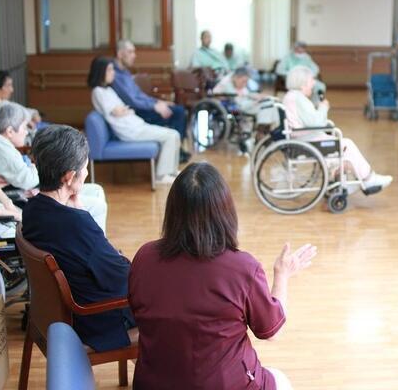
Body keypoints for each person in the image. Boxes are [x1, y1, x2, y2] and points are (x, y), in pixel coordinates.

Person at [129, 162, 316, 390]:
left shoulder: (144, 257)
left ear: (173, 211)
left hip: (152, 383)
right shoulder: (243, 268)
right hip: (225, 384)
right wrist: (282, 275)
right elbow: (272, 332)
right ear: (225, 211)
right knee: (281, 380)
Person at [22, 125, 136, 352]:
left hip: (53, 315)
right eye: (84, 168)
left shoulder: (32, 210)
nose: (86, 174)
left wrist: (79, 211)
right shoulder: (76, 224)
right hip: (92, 321)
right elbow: (122, 276)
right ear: (69, 176)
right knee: (165, 306)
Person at [0, 101, 108, 232]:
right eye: (24, 127)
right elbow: (27, 179)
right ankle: (94, 242)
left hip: (34, 192)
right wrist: (39, 165)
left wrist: (31, 165)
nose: (26, 132)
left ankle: (93, 240)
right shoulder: (0, 146)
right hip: (29, 197)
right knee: (97, 205)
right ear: (10, 131)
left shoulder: (1, 144)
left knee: (96, 190)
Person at [283, 66, 393, 191]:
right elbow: (317, 122)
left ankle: (344, 180)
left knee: (345, 148)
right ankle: (368, 179)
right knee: (347, 144)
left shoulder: (291, 97)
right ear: (302, 83)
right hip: (308, 141)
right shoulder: (299, 99)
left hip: (303, 139)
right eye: (311, 80)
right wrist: (323, 107)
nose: (314, 83)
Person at [88, 56, 180, 185]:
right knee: (171, 135)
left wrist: (125, 110)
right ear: (100, 72)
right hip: (130, 131)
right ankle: (161, 176)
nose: (113, 72)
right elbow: (117, 111)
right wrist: (125, 110)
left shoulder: (107, 90)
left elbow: (123, 109)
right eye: (109, 70)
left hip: (136, 126)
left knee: (173, 134)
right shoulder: (98, 91)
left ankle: (171, 171)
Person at [111, 40, 189, 163]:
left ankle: (176, 150)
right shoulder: (115, 75)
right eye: (130, 52)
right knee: (179, 112)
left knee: (178, 109)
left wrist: (158, 102)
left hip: (143, 108)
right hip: (135, 113)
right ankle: (176, 151)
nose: (134, 55)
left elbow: (139, 95)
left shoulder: (125, 72)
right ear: (120, 54)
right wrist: (154, 106)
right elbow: (132, 101)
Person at [0, 70, 48, 141]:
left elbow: (22, 111)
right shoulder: (0, 108)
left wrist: (34, 113)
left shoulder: (7, 103)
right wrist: (27, 120)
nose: (12, 90)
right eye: (8, 85)